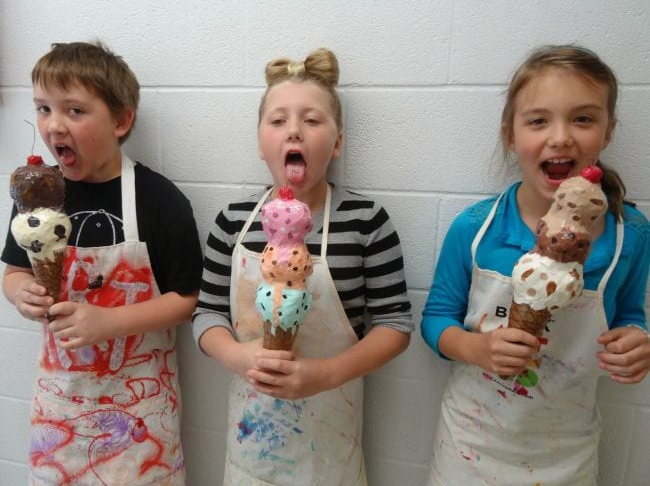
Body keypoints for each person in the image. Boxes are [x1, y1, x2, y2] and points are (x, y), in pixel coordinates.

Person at [421, 44, 650, 485]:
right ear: (511, 134)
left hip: (566, 451)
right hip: (470, 443)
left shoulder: (630, 236)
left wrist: (637, 344)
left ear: (608, 131)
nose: (561, 136)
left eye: (583, 118)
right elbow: (435, 321)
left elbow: (631, 318)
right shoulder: (475, 229)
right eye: (538, 120)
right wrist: (475, 348)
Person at [193, 47, 413, 485]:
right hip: (251, 441)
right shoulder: (233, 221)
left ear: (336, 144)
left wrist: (325, 374)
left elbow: (395, 323)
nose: (294, 130)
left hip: (331, 438)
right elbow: (207, 315)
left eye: (312, 120)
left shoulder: (366, 222)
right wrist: (238, 355)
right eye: (278, 121)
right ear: (260, 143)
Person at [1, 41, 203, 485]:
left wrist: (109, 322)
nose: (53, 125)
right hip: (60, 412)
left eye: (74, 110)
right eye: (43, 108)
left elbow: (185, 300)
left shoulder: (159, 200)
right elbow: (13, 272)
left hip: (139, 420)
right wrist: (21, 293)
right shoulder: (34, 197)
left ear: (121, 120)